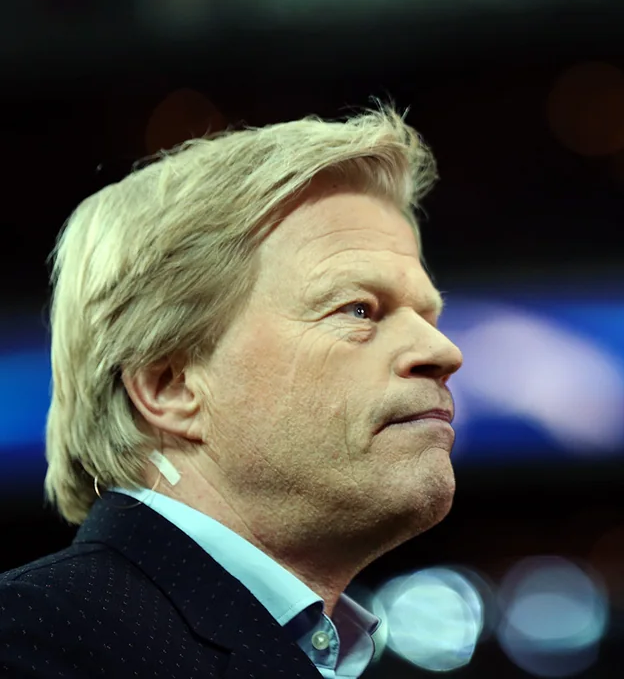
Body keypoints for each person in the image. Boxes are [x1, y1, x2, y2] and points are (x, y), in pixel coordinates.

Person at [0, 105, 464, 678]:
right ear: (171, 386)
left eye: (428, 316)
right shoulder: (32, 641)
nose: (444, 351)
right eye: (359, 309)